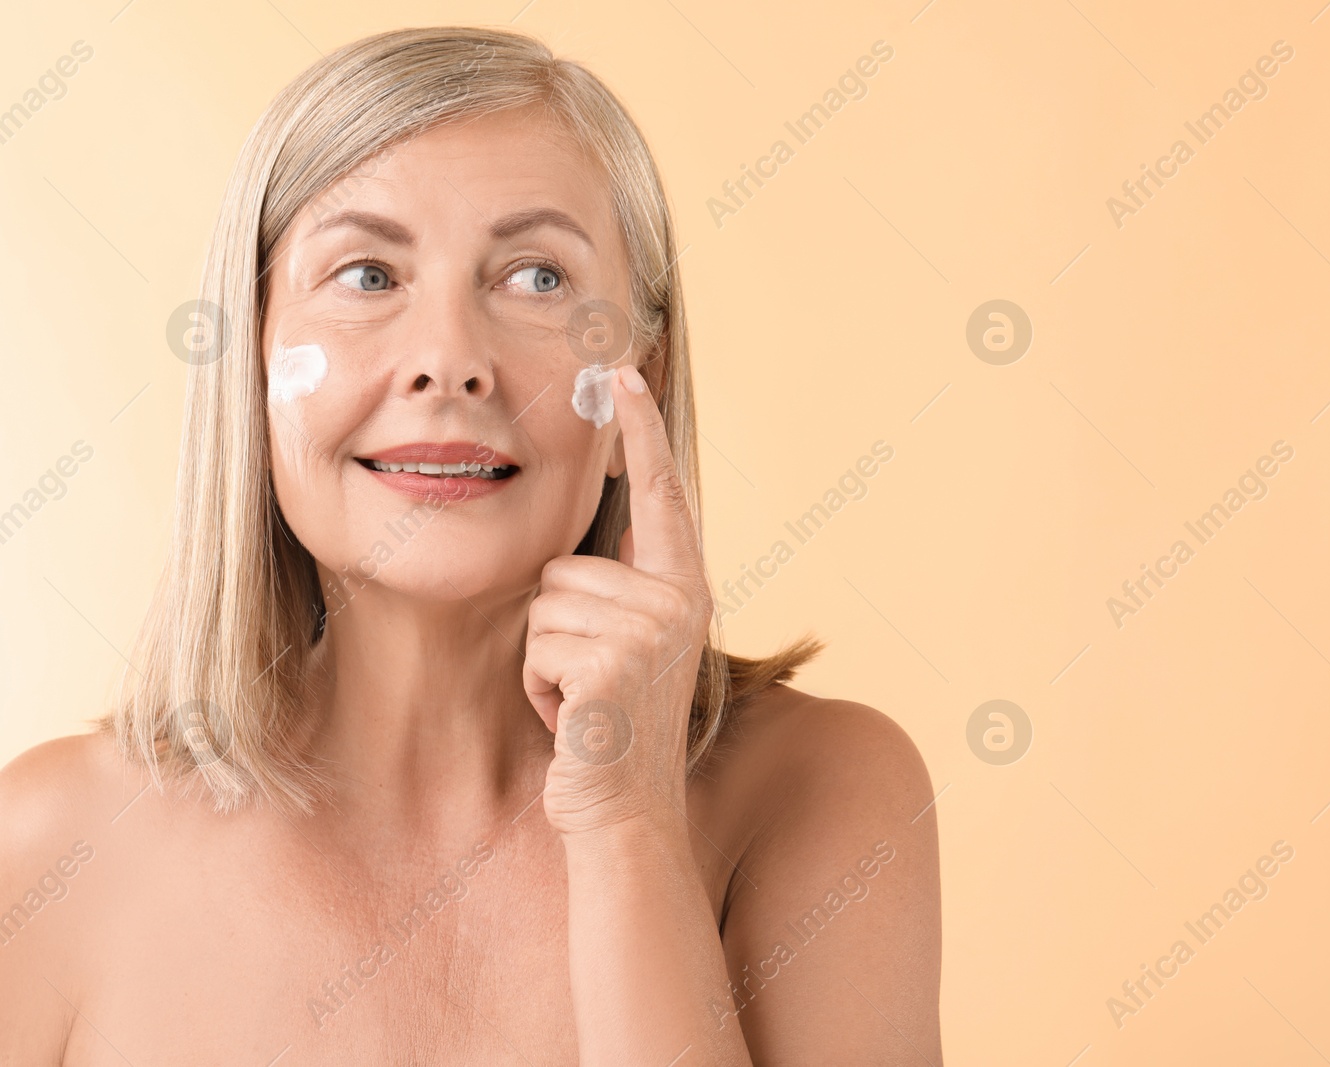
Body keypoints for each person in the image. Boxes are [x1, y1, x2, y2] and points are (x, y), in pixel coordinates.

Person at [0, 27, 941, 1065]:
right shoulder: (45, 848)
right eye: (366, 274)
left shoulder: (823, 790)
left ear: (648, 374)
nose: (448, 361)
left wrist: (627, 827)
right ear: (249, 361)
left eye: (537, 278)